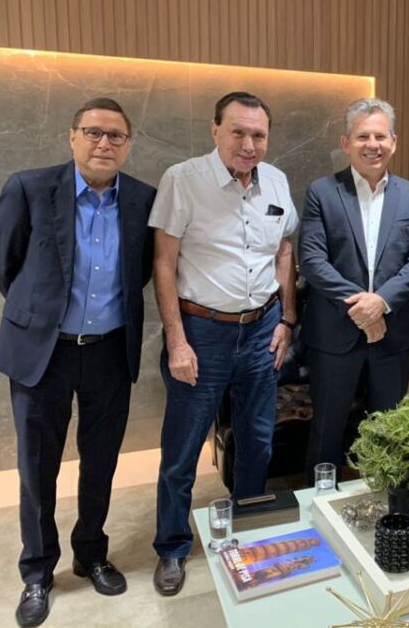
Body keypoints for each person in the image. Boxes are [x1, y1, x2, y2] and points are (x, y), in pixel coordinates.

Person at [0, 98, 155, 627]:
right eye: (93, 132)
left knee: (101, 462)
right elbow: (1, 262)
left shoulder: (142, 199)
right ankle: (38, 571)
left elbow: (142, 271)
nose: (104, 143)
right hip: (44, 353)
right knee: (38, 467)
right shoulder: (30, 188)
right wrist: (40, 314)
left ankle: (91, 554)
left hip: (109, 351)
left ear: (128, 144)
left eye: (116, 136)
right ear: (72, 136)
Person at [149, 91, 298, 596]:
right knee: (184, 448)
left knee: (257, 440)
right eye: (238, 132)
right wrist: (177, 341)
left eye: (258, 135)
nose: (248, 144)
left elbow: (284, 251)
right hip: (202, 333)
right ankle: (172, 546)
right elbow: (164, 265)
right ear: (215, 130)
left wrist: (287, 319)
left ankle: (246, 530)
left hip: (262, 330)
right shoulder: (183, 180)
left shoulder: (276, 180)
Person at [300, 98, 409, 480]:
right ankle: (320, 501)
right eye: (362, 136)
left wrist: (381, 303)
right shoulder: (322, 192)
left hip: (393, 334)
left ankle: (389, 506)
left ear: (394, 141)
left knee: (390, 431)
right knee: (326, 431)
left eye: (380, 136)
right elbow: (312, 260)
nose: (372, 144)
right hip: (334, 334)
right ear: (346, 143)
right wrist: (362, 309)